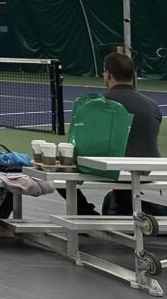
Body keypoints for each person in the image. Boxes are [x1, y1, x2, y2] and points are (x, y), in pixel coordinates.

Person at [66, 51, 165, 216]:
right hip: (147, 168)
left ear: (108, 75)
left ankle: (86, 215)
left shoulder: (96, 104)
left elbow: (85, 143)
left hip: (114, 170)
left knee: (60, 175)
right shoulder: (152, 104)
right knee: (114, 201)